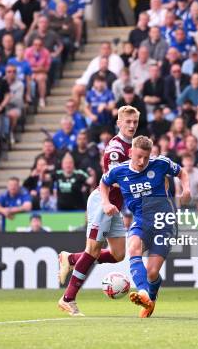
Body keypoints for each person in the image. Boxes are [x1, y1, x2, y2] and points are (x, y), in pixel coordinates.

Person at [57, 106, 139, 316]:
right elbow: (115, 180)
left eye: (134, 122)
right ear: (119, 123)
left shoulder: (133, 147)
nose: (131, 125)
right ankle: (68, 299)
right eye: (127, 122)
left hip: (115, 207)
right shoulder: (115, 149)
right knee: (93, 250)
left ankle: (71, 258)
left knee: (118, 254)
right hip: (103, 204)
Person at [100, 135, 190, 318]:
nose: (142, 162)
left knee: (152, 272)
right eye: (139, 156)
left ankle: (151, 298)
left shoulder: (161, 164)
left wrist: (186, 189)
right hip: (140, 220)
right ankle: (142, 293)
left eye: (146, 158)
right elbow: (104, 183)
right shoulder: (119, 171)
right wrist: (105, 203)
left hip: (164, 222)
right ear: (131, 152)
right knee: (132, 248)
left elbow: (182, 172)